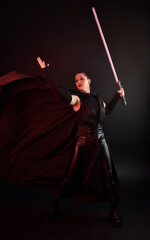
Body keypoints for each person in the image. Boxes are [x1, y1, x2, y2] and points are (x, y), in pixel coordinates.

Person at [37, 57, 124, 227]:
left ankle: (114, 210)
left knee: (109, 177)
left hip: (100, 141)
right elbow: (57, 91)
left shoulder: (98, 100)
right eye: (76, 80)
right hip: (82, 141)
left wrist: (117, 95)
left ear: (89, 80)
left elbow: (109, 111)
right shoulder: (77, 100)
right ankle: (54, 206)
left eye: (81, 78)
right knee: (68, 177)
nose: (78, 81)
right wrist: (45, 72)